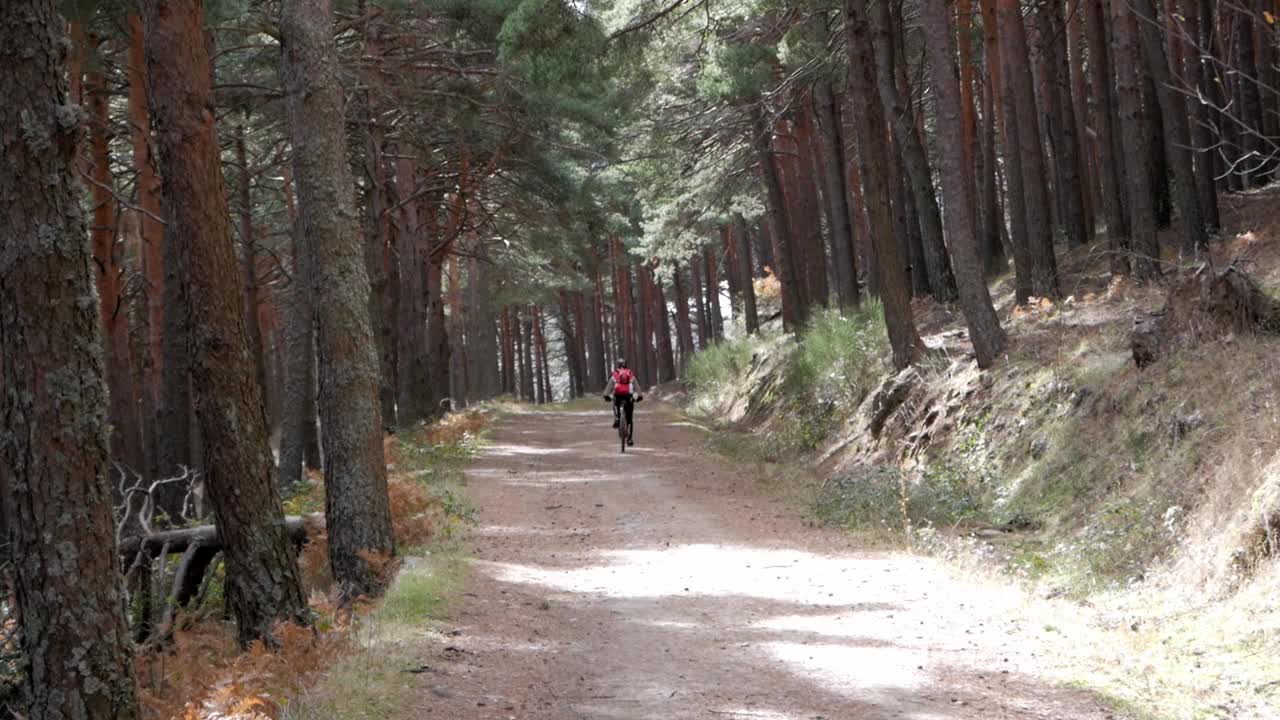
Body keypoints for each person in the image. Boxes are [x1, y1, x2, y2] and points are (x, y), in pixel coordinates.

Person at [604, 358, 639, 445]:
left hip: (618, 396)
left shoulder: (615, 374)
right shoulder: (630, 373)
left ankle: (617, 418)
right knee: (630, 418)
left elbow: (609, 386)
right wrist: (639, 396)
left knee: (615, 403)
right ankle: (630, 439)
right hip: (628, 396)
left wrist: (606, 395)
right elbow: (636, 386)